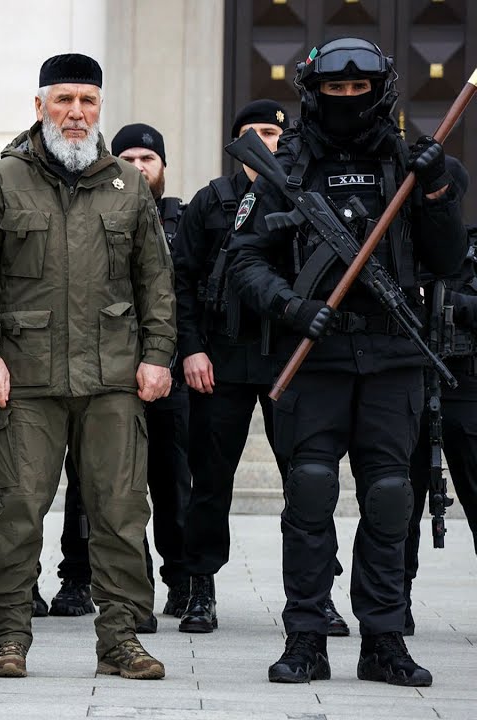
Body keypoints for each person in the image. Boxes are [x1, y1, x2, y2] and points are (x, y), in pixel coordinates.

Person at [229, 37, 465, 686]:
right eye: (335, 90)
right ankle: (306, 635)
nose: (348, 100)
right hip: (315, 358)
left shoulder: (415, 166)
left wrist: (438, 187)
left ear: (380, 90)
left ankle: (384, 640)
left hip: (394, 356)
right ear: (315, 92)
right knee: (309, 493)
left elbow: (446, 261)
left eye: (359, 90)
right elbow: (244, 260)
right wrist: (291, 306)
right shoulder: (286, 167)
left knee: (391, 499)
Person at [0, 53, 175, 681]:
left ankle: (120, 638)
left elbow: (155, 281)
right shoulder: (4, 180)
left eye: (88, 100)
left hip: (113, 376)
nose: (77, 113)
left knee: (119, 512)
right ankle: (8, 633)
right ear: (40, 106)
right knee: (19, 510)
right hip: (24, 380)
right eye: (64, 100)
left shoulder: (127, 184)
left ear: (100, 107)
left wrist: (158, 354)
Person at [172, 99, 348, 637]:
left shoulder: (307, 194)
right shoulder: (212, 200)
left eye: (273, 132)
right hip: (222, 356)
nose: (265, 142)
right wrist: (192, 349)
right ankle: (200, 585)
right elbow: (181, 280)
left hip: (288, 358)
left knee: (308, 480)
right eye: (252, 133)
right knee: (210, 481)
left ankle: (317, 593)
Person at [45, 124, 192, 632]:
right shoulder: (97, 206)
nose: (137, 165)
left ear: (163, 167)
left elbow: (175, 294)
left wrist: (171, 355)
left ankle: (182, 581)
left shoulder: (183, 220)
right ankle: (78, 575)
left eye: (147, 157)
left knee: (169, 484)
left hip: (161, 371)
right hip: (103, 371)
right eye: (127, 156)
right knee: (90, 484)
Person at [405, 159, 471, 637]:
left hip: (465, 389)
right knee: (396, 505)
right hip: (408, 383)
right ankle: (393, 601)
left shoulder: (467, 248)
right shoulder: (405, 246)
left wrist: (452, 303)